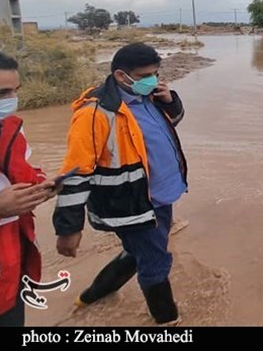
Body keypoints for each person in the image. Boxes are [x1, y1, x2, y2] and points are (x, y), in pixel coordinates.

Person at [53, 43, 188, 325]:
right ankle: (168, 322)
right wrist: (69, 228)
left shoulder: (149, 97)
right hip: (132, 204)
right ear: (120, 76)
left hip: (161, 198)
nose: (153, 79)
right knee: (155, 263)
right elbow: (77, 171)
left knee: (140, 251)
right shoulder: (95, 113)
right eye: (145, 75)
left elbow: (167, 124)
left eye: (155, 73)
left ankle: (91, 296)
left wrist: (169, 102)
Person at [0, 50, 56, 326]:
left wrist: (39, 184)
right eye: (1, 94)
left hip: (10, 273)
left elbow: (22, 170)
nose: (11, 102)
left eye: (15, 91)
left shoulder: (9, 127)